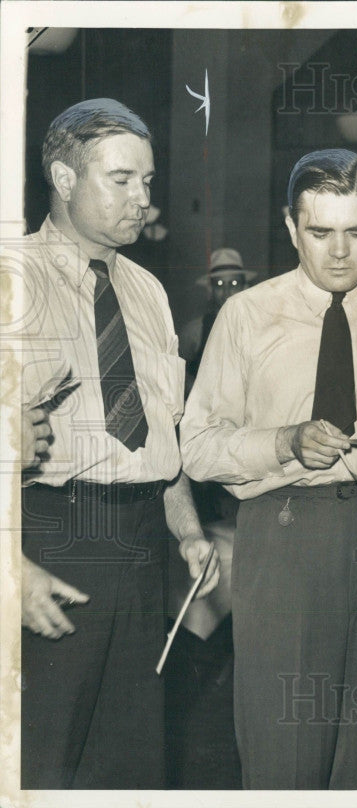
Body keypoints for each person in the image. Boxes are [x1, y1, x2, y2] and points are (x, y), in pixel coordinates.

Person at [180, 149, 357, 789]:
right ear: (291, 225)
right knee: (284, 741)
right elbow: (198, 446)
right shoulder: (247, 316)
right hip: (286, 531)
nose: (339, 251)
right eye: (320, 232)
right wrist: (285, 441)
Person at [7, 98, 220, 789]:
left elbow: (163, 439)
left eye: (148, 181)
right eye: (121, 180)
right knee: (41, 764)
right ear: (64, 180)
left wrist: (187, 532)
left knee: (128, 766)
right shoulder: (14, 276)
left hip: (139, 548)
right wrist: (9, 567)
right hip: (50, 536)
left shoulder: (149, 291)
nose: (142, 198)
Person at [178, 247, 257, 387]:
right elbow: (175, 370)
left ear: (245, 287)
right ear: (210, 290)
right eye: (220, 284)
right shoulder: (195, 331)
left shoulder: (258, 327)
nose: (226, 291)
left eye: (234, 283)